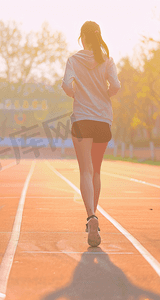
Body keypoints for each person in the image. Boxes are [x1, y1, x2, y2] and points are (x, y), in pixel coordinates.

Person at [61, 21, 121, 247]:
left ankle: (91, 216)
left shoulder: (74, 61)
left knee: (85, 170)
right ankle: (93, 216)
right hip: (102, 120)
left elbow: (66, 86)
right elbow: (115, 86)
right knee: (96, 171)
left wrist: (76, 94)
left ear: (82, 38)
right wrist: (104, 93)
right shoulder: (107, 60)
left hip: (82, 120)